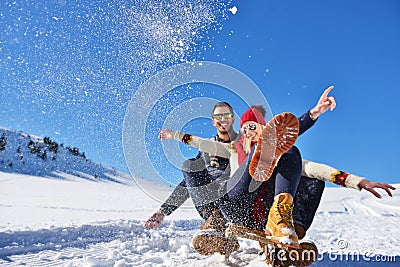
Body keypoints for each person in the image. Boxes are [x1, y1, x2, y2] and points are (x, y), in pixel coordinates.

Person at [154, 86, 396, 255]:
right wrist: (175, 135)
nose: (250, 132)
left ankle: (286, 224)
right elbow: (202, 145)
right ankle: (218, 221)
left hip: (262, 217)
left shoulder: (280, 153)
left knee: (299, 163)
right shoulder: (232, 148)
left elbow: (316, 169)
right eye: (246, 128)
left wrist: (359, 182)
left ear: (264, 131)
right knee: (256, 158)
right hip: (234, 204)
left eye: (256, 128)